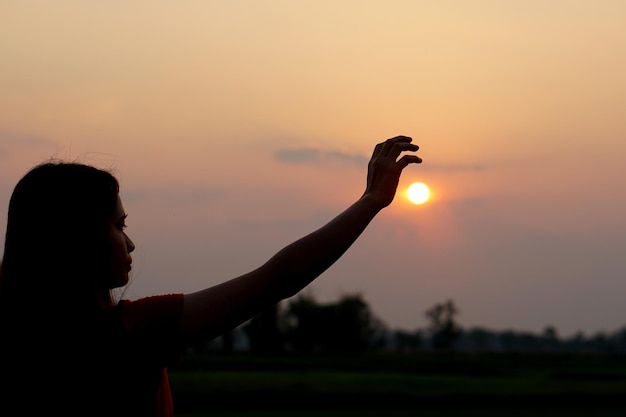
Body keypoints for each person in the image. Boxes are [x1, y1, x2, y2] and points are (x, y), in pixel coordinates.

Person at [0, 135, 421, 416]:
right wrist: (371, 201)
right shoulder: (130, 334)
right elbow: (278, 278)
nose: (130, 244)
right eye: (119, 226)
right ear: (78, 238)